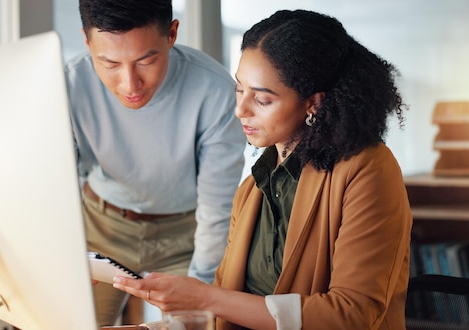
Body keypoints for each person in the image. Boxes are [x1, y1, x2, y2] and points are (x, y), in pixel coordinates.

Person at [113, 9, 413, 330]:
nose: (240, 109)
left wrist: (205, 297)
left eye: (262, 100)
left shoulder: (368, 170)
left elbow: (350, 315)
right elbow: (226, 310)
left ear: (313, 102)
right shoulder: (253, 188)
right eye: (240, 90)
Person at [64, 0, 246, 326]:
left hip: (188, 235)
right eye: (109, 63)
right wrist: (63, 249)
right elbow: (54, 182)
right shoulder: (68, 86)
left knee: (202, 325)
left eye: (146, 60)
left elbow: (216, 209)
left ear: (172, 34)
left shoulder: (216, 92)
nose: (130, 85)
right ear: (87, 41)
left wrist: (202, 290)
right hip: (101, 226)